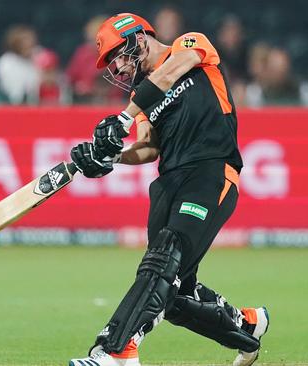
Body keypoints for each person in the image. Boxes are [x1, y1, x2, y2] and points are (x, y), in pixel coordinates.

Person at [67, 13, 269, 366]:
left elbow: (173, 70)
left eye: (118, 54)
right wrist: (111, 155)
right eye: (110, 62)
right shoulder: (140, 94)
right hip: (169, 181)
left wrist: (124, 116)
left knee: (165, 256)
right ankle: (247, 326)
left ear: (139, 38)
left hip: (210, 170)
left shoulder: (189, 45)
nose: (117, 66)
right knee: (173, 291)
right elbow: (148, 147)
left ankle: (117, 350)